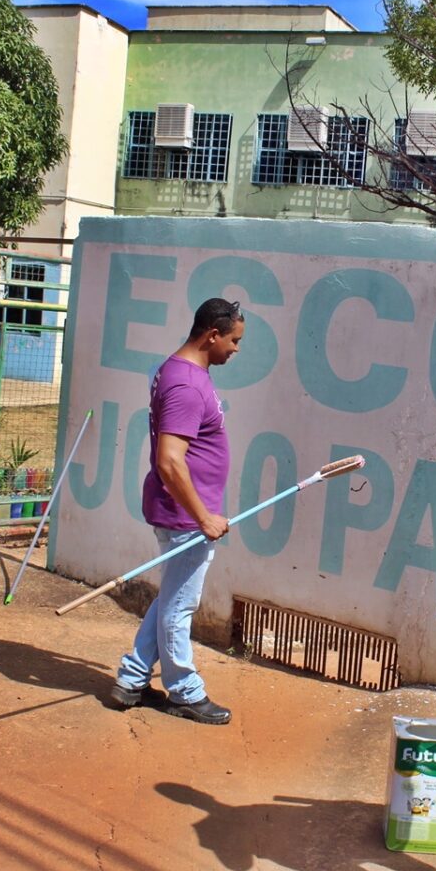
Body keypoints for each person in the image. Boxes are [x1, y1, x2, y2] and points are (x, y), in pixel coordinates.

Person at [109, 297, 245, 725]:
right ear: (211, 335)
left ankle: (131, 679)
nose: (235, 350)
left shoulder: (181, 371)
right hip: (186, 516)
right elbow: (170, 461)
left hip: (184, 511)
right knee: (180, 606)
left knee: (172, 597)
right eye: (234, 341)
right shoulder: (186, 384)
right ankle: (184, 690)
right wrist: (203, 516)